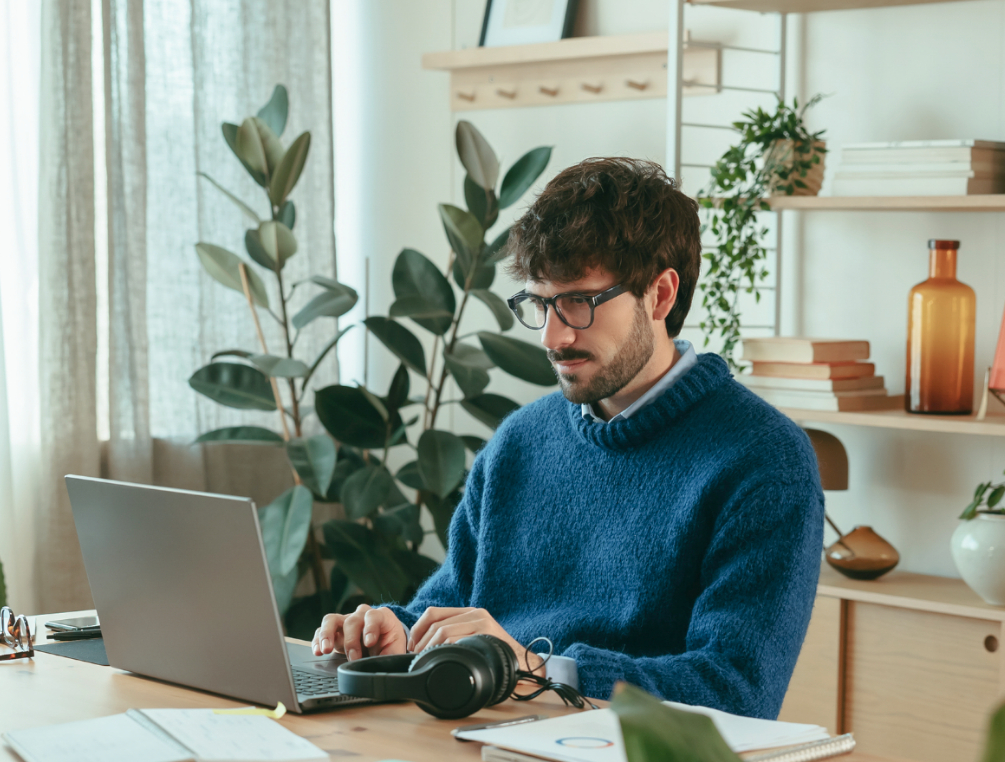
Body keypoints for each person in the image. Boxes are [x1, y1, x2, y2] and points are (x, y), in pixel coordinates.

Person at [311, 157, 823, 719]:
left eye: (578, 302)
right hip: (489, 736)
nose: (554, 336)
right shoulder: (520, 442)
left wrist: (536, 668)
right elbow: (452, 603)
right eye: (539, 303)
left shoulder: (764, 460)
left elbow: (736, 691)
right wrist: (397, 630)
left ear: (660, 294)